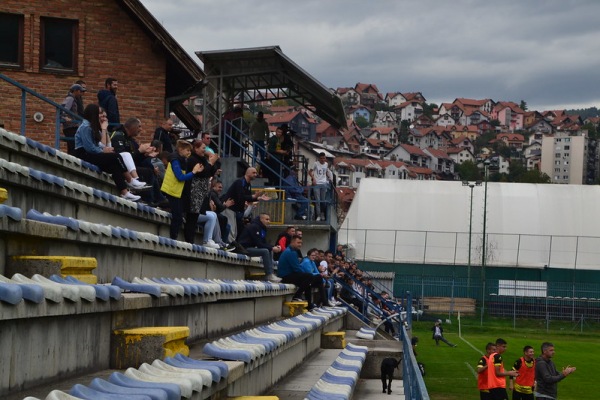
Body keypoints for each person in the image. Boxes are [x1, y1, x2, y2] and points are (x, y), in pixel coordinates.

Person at [73, 104, 139, 201]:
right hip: (84, 154)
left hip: (90, 153)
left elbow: (99, 145)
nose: (99, 116)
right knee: (115, 156)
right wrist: (103, 150)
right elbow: (89, 148)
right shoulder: (86, 127)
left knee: (114, 165)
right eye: (97, 114)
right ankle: (130, 180)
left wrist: (103, 146)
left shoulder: (91, 126)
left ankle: (124, 192)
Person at [160, 140, 203, 239]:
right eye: (187, 150)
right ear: (180, 149)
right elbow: (180, 177)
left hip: (176, 192)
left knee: (179, 217)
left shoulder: (183, 160)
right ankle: (172, 239)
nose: (189, 153)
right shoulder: (175, 160)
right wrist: (194, 172)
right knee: (177, 217)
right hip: (171, 191)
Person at [183, 140, 219, 245]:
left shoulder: (203, 159)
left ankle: (191, 240)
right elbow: (202, 173)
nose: (205, 150)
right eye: (203, 148)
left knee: (195, 216)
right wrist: (210, 163)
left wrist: (212, 163)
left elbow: (211, 171)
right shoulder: (193, 159)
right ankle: (189, 240)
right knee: (192, 216)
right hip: (193, 191)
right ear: (196, 148)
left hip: (201, 192)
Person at [277, 235, 326, 309]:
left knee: (308, 281)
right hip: (286, 276)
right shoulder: (291, 252)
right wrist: (307, 275)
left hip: (289, 274)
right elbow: (296, 269)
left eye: (301, 243)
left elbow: (297, 268)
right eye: (298, 242)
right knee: (309, 277)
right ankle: (296, 297)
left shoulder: (292, 251)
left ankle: (310, 305)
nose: (300, 244)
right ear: (292, 242)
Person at [222, 167, 269, 239]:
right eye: (254, 172)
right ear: (248, 173)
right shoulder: (240, 182)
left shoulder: (248, 184)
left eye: (256, 173)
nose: (255, 174)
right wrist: (254, 196)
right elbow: (241, 197)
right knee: (231, 230)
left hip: (235, 210)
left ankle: (231, 245)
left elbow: (248, 198)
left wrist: (258, 198)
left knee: (234, 231)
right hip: (229, 208)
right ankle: (228, 245)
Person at [237, 213, 282, 282]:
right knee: (265, 251)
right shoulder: (254, 227)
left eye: (269, 220)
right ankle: (269, 275)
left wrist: (273, 247)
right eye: (267, 219)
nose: (268, 221)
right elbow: (259, 244)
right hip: (244, 249)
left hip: (251, 248)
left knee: (268, 250)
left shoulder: (262, 228)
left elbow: (263, 243)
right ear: (261, 219)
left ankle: (271, 273)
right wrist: (272, 248)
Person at [61, 83, 86, 154]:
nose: (81, 93)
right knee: (73, 146)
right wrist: (65, 117)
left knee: (73, 145)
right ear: (75, 91)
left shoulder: (72, 99)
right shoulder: (70, 98)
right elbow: (63, 110)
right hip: (70, 127)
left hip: (71, 126)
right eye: (80, 91)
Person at [309, 152, 333, 221]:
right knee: (317, 200)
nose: (323, 160)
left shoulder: (326, 164)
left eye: (324, 158)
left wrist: (329, 178)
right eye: (321, 158)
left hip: (324, 183)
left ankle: (322, 214)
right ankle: (318, 215)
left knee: (323, 200)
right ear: (319, 158)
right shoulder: (316, 164)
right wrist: (313, 179)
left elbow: (325, 172)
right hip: (317, 184)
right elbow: (310, 172)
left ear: (325, 158)